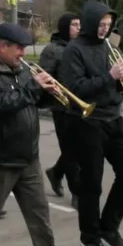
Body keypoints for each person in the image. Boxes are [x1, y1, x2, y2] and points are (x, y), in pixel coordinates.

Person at [0, 22, 87, 246]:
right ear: (2, 47)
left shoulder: (22, 70)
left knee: (41, 220)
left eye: (24, 48)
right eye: (18, 48)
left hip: (28, 157)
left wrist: (51, 95)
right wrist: (33, 89)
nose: (23, 53)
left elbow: (29, 101)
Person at [58, 0, 123, 246]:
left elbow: (114, 86)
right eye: (101, 24)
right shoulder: (74, 50)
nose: (105, 30)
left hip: (114, 118)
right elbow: (76, 89)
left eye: (109, 25)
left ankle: (109, 229)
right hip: (87, 122)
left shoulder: (108, 46)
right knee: (91, 183)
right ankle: (89, 239)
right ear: (90, 23)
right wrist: (111, 76)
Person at [40, 12, 81, 205]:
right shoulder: (52, 49)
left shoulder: (80, 47)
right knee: (71, 149)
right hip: (62, 107)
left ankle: (56, 172)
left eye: (80, 24)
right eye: (74, 25)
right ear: (65, 27)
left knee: (78, 148)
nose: (78, 28)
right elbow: (44, 75)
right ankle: (77, 192)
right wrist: (55, 89)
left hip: (81, 104)